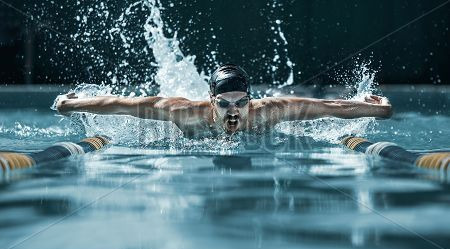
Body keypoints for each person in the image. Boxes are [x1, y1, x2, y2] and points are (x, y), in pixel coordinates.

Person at [56, 64, 392, 137]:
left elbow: (331, 108)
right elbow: (120, 104)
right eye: (224, 103)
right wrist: (69, 104)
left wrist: (379, 108)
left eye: (241, 102)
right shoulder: (183, 113)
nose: (234, 111)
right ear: (210, 100)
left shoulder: (269, 113)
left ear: (251, 100)